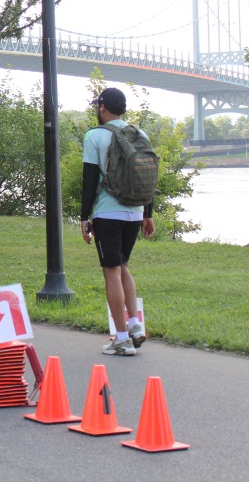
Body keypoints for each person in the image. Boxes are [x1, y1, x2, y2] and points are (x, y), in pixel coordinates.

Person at [80, 87, 154, 356]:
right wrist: (147, 213)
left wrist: (84, 217)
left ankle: (122, 339)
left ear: (102, 108)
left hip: (108, 213)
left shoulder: (94, 136)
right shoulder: (139, 134)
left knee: (111, 271)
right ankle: (135, 325)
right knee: (123, 266)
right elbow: (147, 175)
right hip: (135, 211)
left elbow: (90, 179)